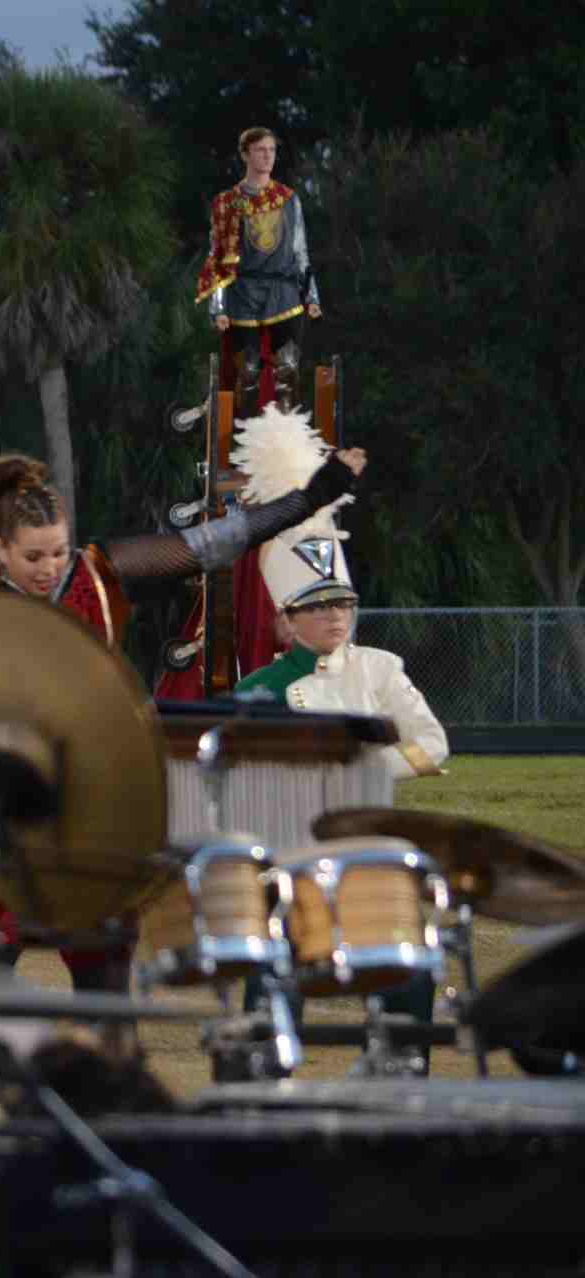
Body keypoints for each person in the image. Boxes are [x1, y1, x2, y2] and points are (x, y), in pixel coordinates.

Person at [0, 433, 367, 989]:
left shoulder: (97, 574)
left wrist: (312, 496)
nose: (49, 568)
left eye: (58, 552)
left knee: (105, 982)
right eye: (32, 557)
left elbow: (217, 541)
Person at [234, 409, 448, 1059]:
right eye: (319, 606)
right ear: (288, 619)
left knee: (410, 975)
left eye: (343, 603)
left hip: (370, 849)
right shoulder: (258, 689)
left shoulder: (381, 669)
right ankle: (262, 1080)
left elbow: (433, 743)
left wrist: (366, 768)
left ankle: (401, 1076)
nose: (335, 616)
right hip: (290, 858)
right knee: (272, 977)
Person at [196, 126, 322, 410]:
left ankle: (286, 433)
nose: (268, 156)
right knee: (248, 373)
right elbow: (218, 256)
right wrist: (218, 307)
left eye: (272, 150)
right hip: (243, 292)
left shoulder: (288, 199)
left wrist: (311, 295)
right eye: (260, 150)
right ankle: (246, 433)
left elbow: (300, 251)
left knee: (287, 371)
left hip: (284, 291)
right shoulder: (227, 203)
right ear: (245, 154)